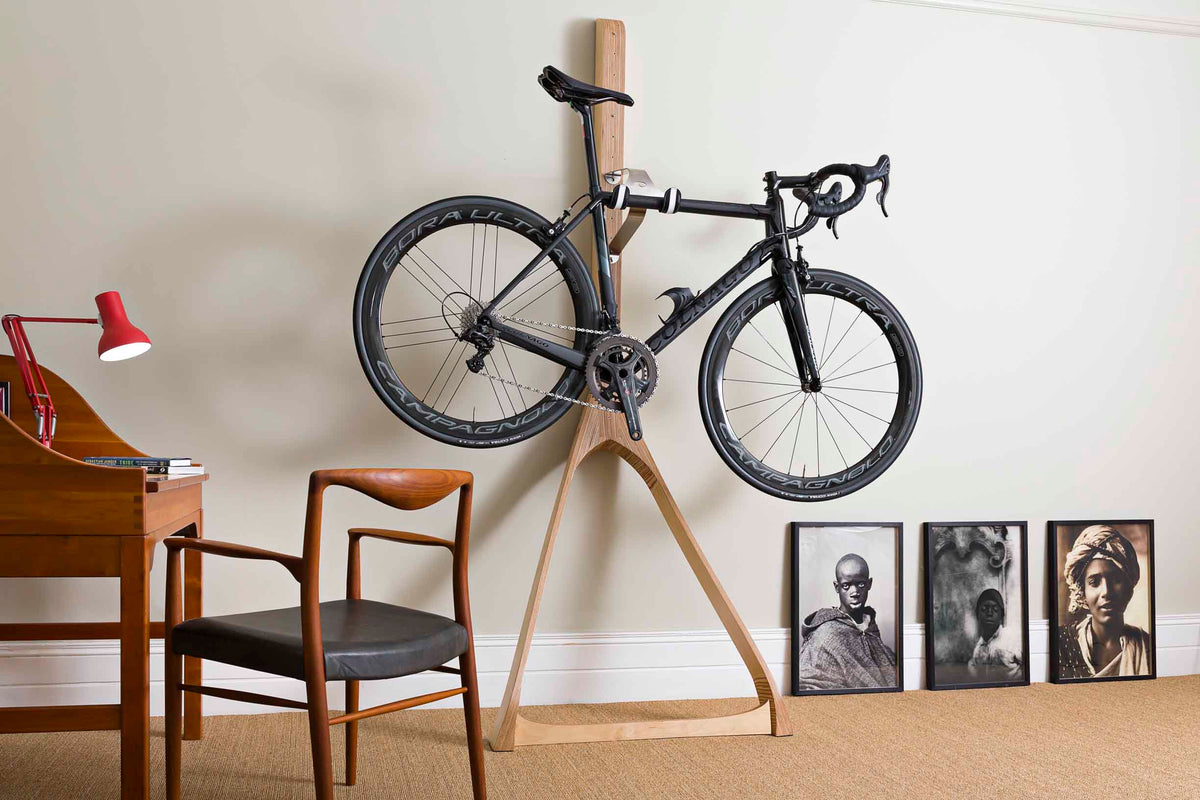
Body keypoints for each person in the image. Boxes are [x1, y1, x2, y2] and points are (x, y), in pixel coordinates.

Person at [1056, 525, 1152, 679]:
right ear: (1082, 591)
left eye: (1116, 580)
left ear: (1129, 585)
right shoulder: (1061, 643)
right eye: (1094, 582)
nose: (1106, 592)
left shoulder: (1147, 646)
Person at [796, 553, 896, 691]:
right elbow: (810, 685)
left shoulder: (870, 627)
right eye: (846, 586)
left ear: (869, 584)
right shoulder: (825, 635)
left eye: (860, 584)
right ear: (837, 587)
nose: (854, 592)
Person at [967, 588, 1022, 680]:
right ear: (977, 614)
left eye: (995, 609)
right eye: (984, 609)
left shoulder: (1013, 638)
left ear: (1002, 615)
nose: (989, 613)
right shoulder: (978, 648)